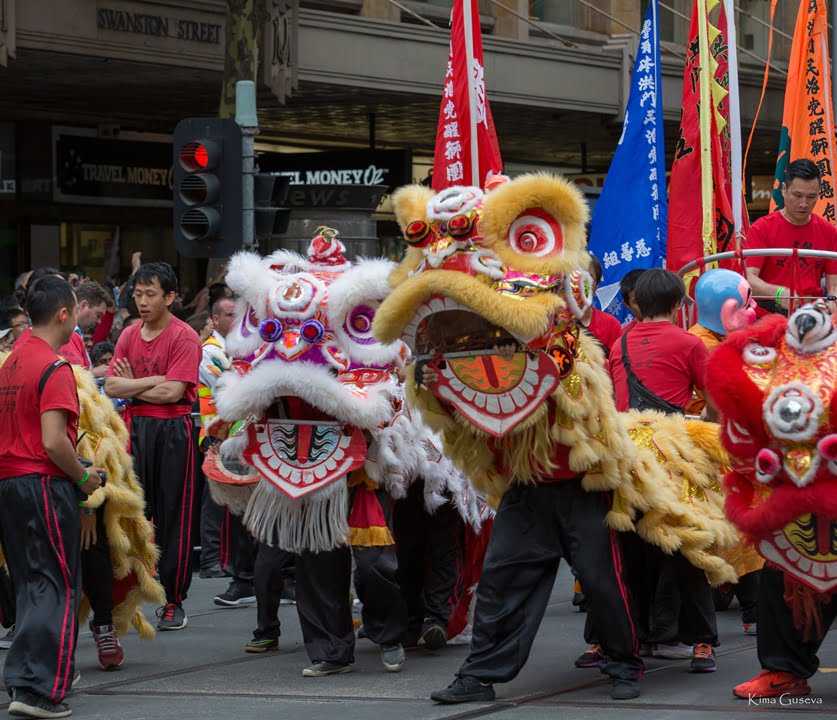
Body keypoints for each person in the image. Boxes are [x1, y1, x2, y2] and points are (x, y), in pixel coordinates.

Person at [0, 275, 102, 718]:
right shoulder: (54, 367)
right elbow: (55, 442)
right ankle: (38, 689)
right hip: (43, 484)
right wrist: (84, 478)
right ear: (64, 313)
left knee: (29, 583)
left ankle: (25, 681)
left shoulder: (10, 363)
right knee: (56, 584)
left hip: (8, 485)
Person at [607, 269, 718, 672]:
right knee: (686, 543)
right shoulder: (689, 343)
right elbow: (714, 403)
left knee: (632, 546)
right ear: (677, 304)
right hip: (673, 457)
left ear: (636, 302)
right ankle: (700, 641)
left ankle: (643, 634)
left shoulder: (618, 343)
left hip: (627, 460)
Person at [104, 262, 201, 631]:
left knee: (176, 514)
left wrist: (137, 385)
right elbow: (112, 386)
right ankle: (128, 592)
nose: (141, 301)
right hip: (136, 426)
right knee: (131, 511)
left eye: (150, 294)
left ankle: (174, 599)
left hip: (173, 429)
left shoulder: (184, 336)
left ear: (170, 297)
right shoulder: (129, 334)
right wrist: (154, 380)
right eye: (138, 294)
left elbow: (174, 392)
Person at [745, 159, 837, 314]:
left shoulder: (828, 232)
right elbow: (748, 279)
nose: (803, 203)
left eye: (811, 197)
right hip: (768, 318)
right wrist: (779, 293)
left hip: (812, 316)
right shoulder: (762, 228)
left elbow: (834, 286)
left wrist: (832, 302)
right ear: (784, 190)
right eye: (798, 195)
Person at [579, 256, 622, 358]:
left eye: (588, 277)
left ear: (596, 286)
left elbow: (617, 365)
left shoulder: (611, 325)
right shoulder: (556, 323)